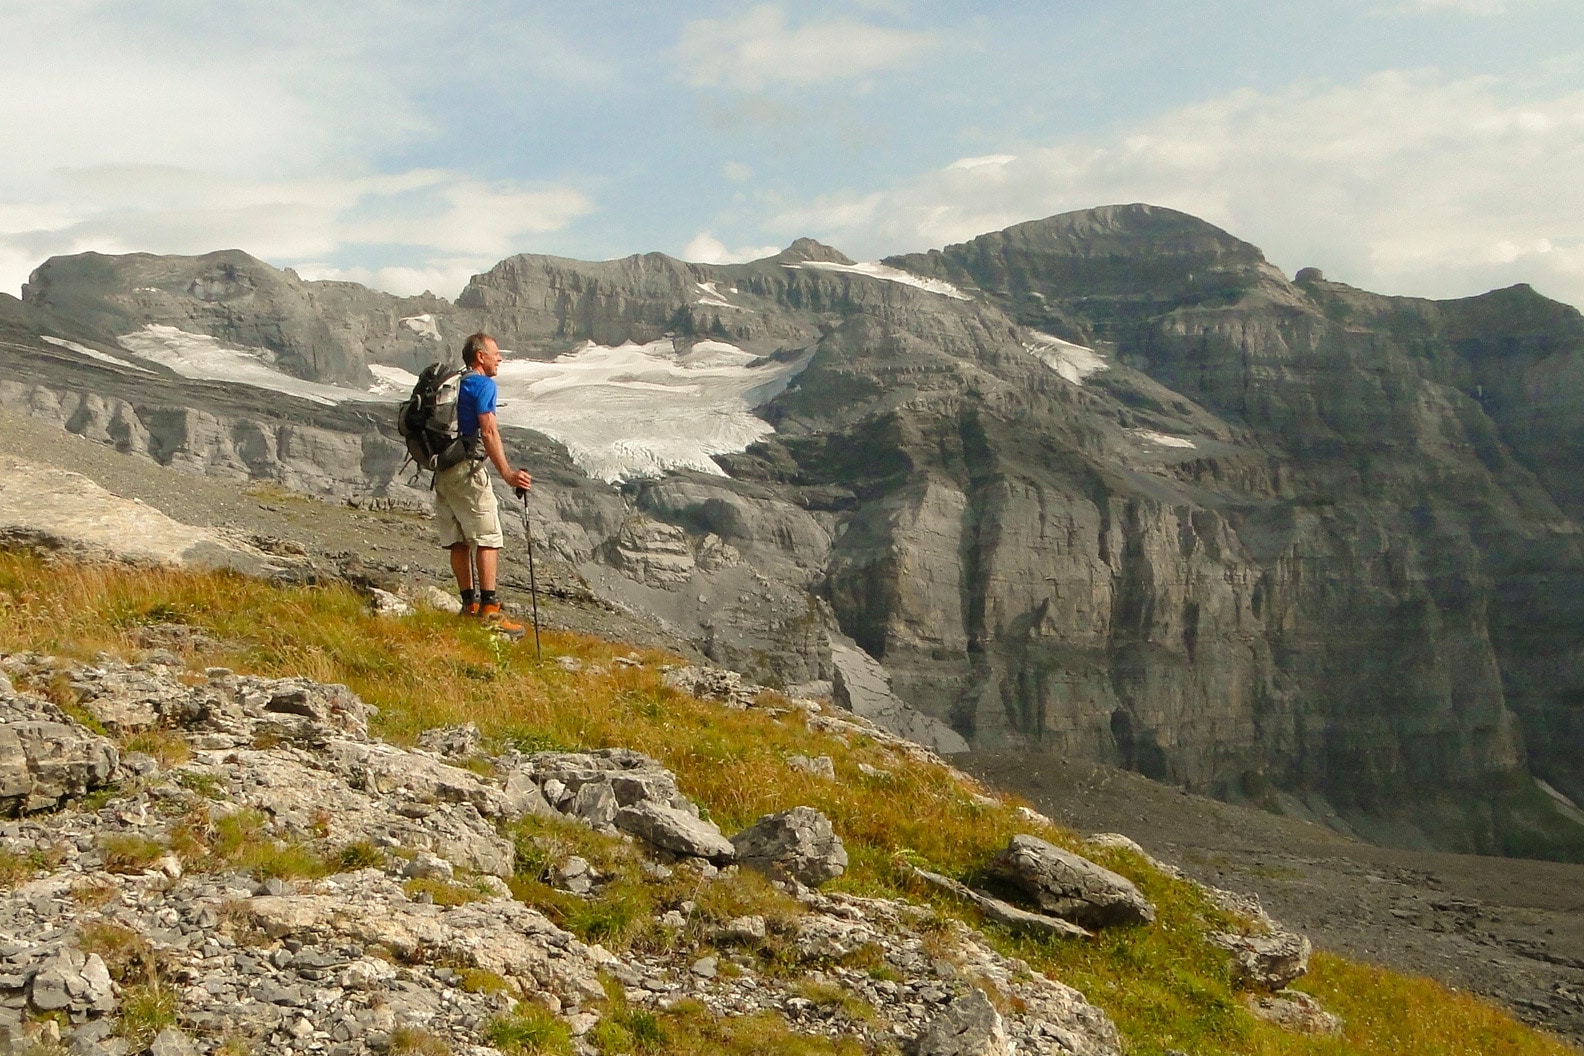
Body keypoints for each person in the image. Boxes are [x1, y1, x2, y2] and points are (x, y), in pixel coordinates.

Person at [435, 332, 533, 636]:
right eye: (495, 353)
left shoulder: (453, 384)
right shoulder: (483, 384)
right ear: (480, 356)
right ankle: (490, 611)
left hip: (442, 469)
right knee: (488, 536)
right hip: (468, 469)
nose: (499, 358)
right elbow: (488, 431)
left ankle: (469, 606)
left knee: (459, 539)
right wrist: (507, 473)